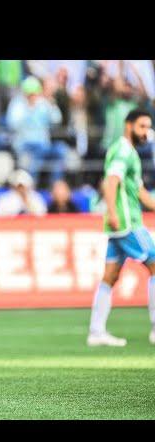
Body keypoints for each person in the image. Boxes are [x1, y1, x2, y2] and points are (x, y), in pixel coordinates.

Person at [87, 109, 155, 347]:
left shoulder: (130, 153)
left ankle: (96, 332)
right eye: (142, 127)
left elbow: (139, 192)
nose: (146, 132)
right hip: (126, 223)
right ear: (129, 126)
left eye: (148, 127)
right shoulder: (123, 150)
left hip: (119, 225)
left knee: (110, 276)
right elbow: (111, 181)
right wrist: (114, 213)